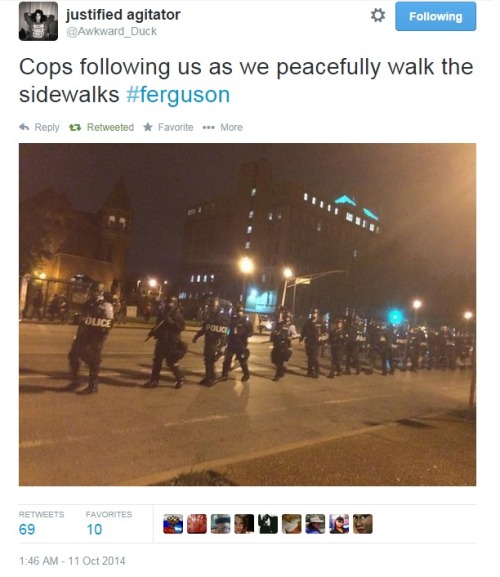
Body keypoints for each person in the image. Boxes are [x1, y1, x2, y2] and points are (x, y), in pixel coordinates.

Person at [66, 281, 114, 394]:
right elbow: (83, 318)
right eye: (92, 290)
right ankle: (76, 380)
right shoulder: (88, 303)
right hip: (84, 334)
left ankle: (93, 386)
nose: (92, 292)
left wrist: (101, 334)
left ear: (101, 291)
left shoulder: (106, 305)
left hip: (96, 336)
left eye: (95, 290)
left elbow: (109, 323)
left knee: (94, 360)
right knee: (73, 355)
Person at [143, 295, 187, 389]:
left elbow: (181, 328)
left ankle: (180, 378)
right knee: (157, 361)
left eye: (170, 303)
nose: (168, 305)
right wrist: (153, 332)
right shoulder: (162, 313)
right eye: (167, 303)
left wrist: (171, 322)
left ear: (174, 304)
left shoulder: (177, 315)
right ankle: (154, 380)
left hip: (172, 342)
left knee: (171, 362)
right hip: (162, 341)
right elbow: (159, 326)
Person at [192, 297, 229, 386]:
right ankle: (208, 377)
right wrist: (196, 337)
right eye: (210, 306)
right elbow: (204, 329)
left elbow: (226, 332)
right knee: (207, 360)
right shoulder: (209, 317)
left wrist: (222, 345)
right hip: (208, 342)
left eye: (212, 306)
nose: (210, 308)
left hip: (215, 343)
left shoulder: (222, 319)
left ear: (217, 307)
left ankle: (213, 377)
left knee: (211, 361)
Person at [221, 304, 253, 382]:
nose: (239, 313)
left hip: (241, 344)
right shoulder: (232, 321)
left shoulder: (246, 322)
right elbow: (227, 330)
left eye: (240, 311)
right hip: (231, 343)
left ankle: (246, 374)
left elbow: (251, 332)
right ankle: (224, 375)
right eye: (238, 311)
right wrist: (226, 338)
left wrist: (245, 334)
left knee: (242, 361)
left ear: (243, 312)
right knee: (227, 360)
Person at [299, 308, 327, 378]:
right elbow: (303, 331)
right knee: (309, 358)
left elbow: (326, 333)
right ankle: (310, 371)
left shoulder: (320, 323)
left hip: (317, 343)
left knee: (315, 358)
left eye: (315, 313)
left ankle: (317, 372)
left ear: (317, 314)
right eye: (313, 313)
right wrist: (301, 339)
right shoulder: (308, 322)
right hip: (309, 343)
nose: (314, 314)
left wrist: (322, 338)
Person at [270, 312, 297, 381]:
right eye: (285, 317)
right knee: (274, 360)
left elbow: (295, 335)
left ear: (290, 318)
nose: (286, 319)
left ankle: (277, 375)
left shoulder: (291, 326)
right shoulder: (279, 324)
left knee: (280, 361)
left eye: (288, 317)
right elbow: (274, 331)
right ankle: (282, 369)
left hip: (284, 345)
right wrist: (273, 336)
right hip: (277, 344)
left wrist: (290, 337)